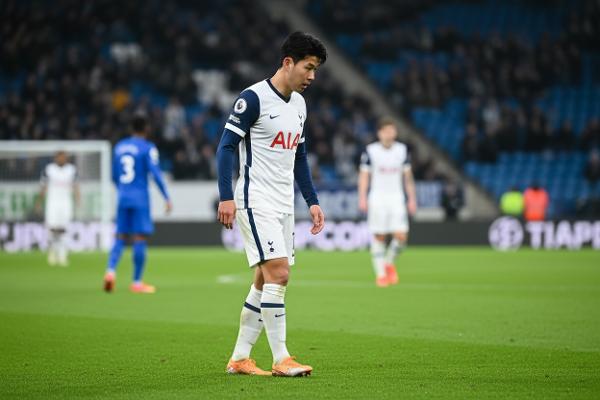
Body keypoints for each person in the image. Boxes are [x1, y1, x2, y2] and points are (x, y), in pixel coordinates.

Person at [216, 32, 326, 377]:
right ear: (288, 62)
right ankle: (282, 358)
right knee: (280, 272)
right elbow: (226, 147)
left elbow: (300, 157)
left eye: (316, 70)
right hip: (255, 199)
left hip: (283, 204)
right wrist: (226, 196)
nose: (312, 76)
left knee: (264, 281)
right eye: (308, 67)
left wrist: (312, 201)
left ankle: (240, 358)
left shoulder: (300, 105)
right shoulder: (253, 99)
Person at [103, 112, 172, 294]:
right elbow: (155, 173)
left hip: (123, 196)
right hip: (140, 198)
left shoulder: (120, 147)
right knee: (139, 238)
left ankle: (110, 272)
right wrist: (166, 196)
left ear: (131, 128)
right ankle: (136, 282)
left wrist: (123, 190)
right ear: (146, 128)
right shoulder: (147, 147)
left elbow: (114, 176)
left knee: (120, 236)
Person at [358, 118, 417, 287]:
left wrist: (412, 198)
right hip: (377, 197)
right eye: (385, 131)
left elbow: (408, 177)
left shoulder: (402, 150)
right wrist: (362, 197)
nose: (389, 134)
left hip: (396, 197)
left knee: (401, 236)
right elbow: (364, 176)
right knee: (379, 236)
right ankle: (381, 275)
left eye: (391, 131)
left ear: (395, 133)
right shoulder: (371, 151)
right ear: (379, 133)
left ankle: (389, 262)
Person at [37, 151, 80, 266]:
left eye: (64, 157)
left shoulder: (71, 170)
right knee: (52, 228)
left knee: (64, 229)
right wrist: (39, 202)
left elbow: (76, 186)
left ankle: (62, 253)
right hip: (52, 203)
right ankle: (52, 251)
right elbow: (43, 186)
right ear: (55, 158)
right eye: (60, 157)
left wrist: (78, 199)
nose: (62, 159)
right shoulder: (49, 169)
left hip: (66, 203)